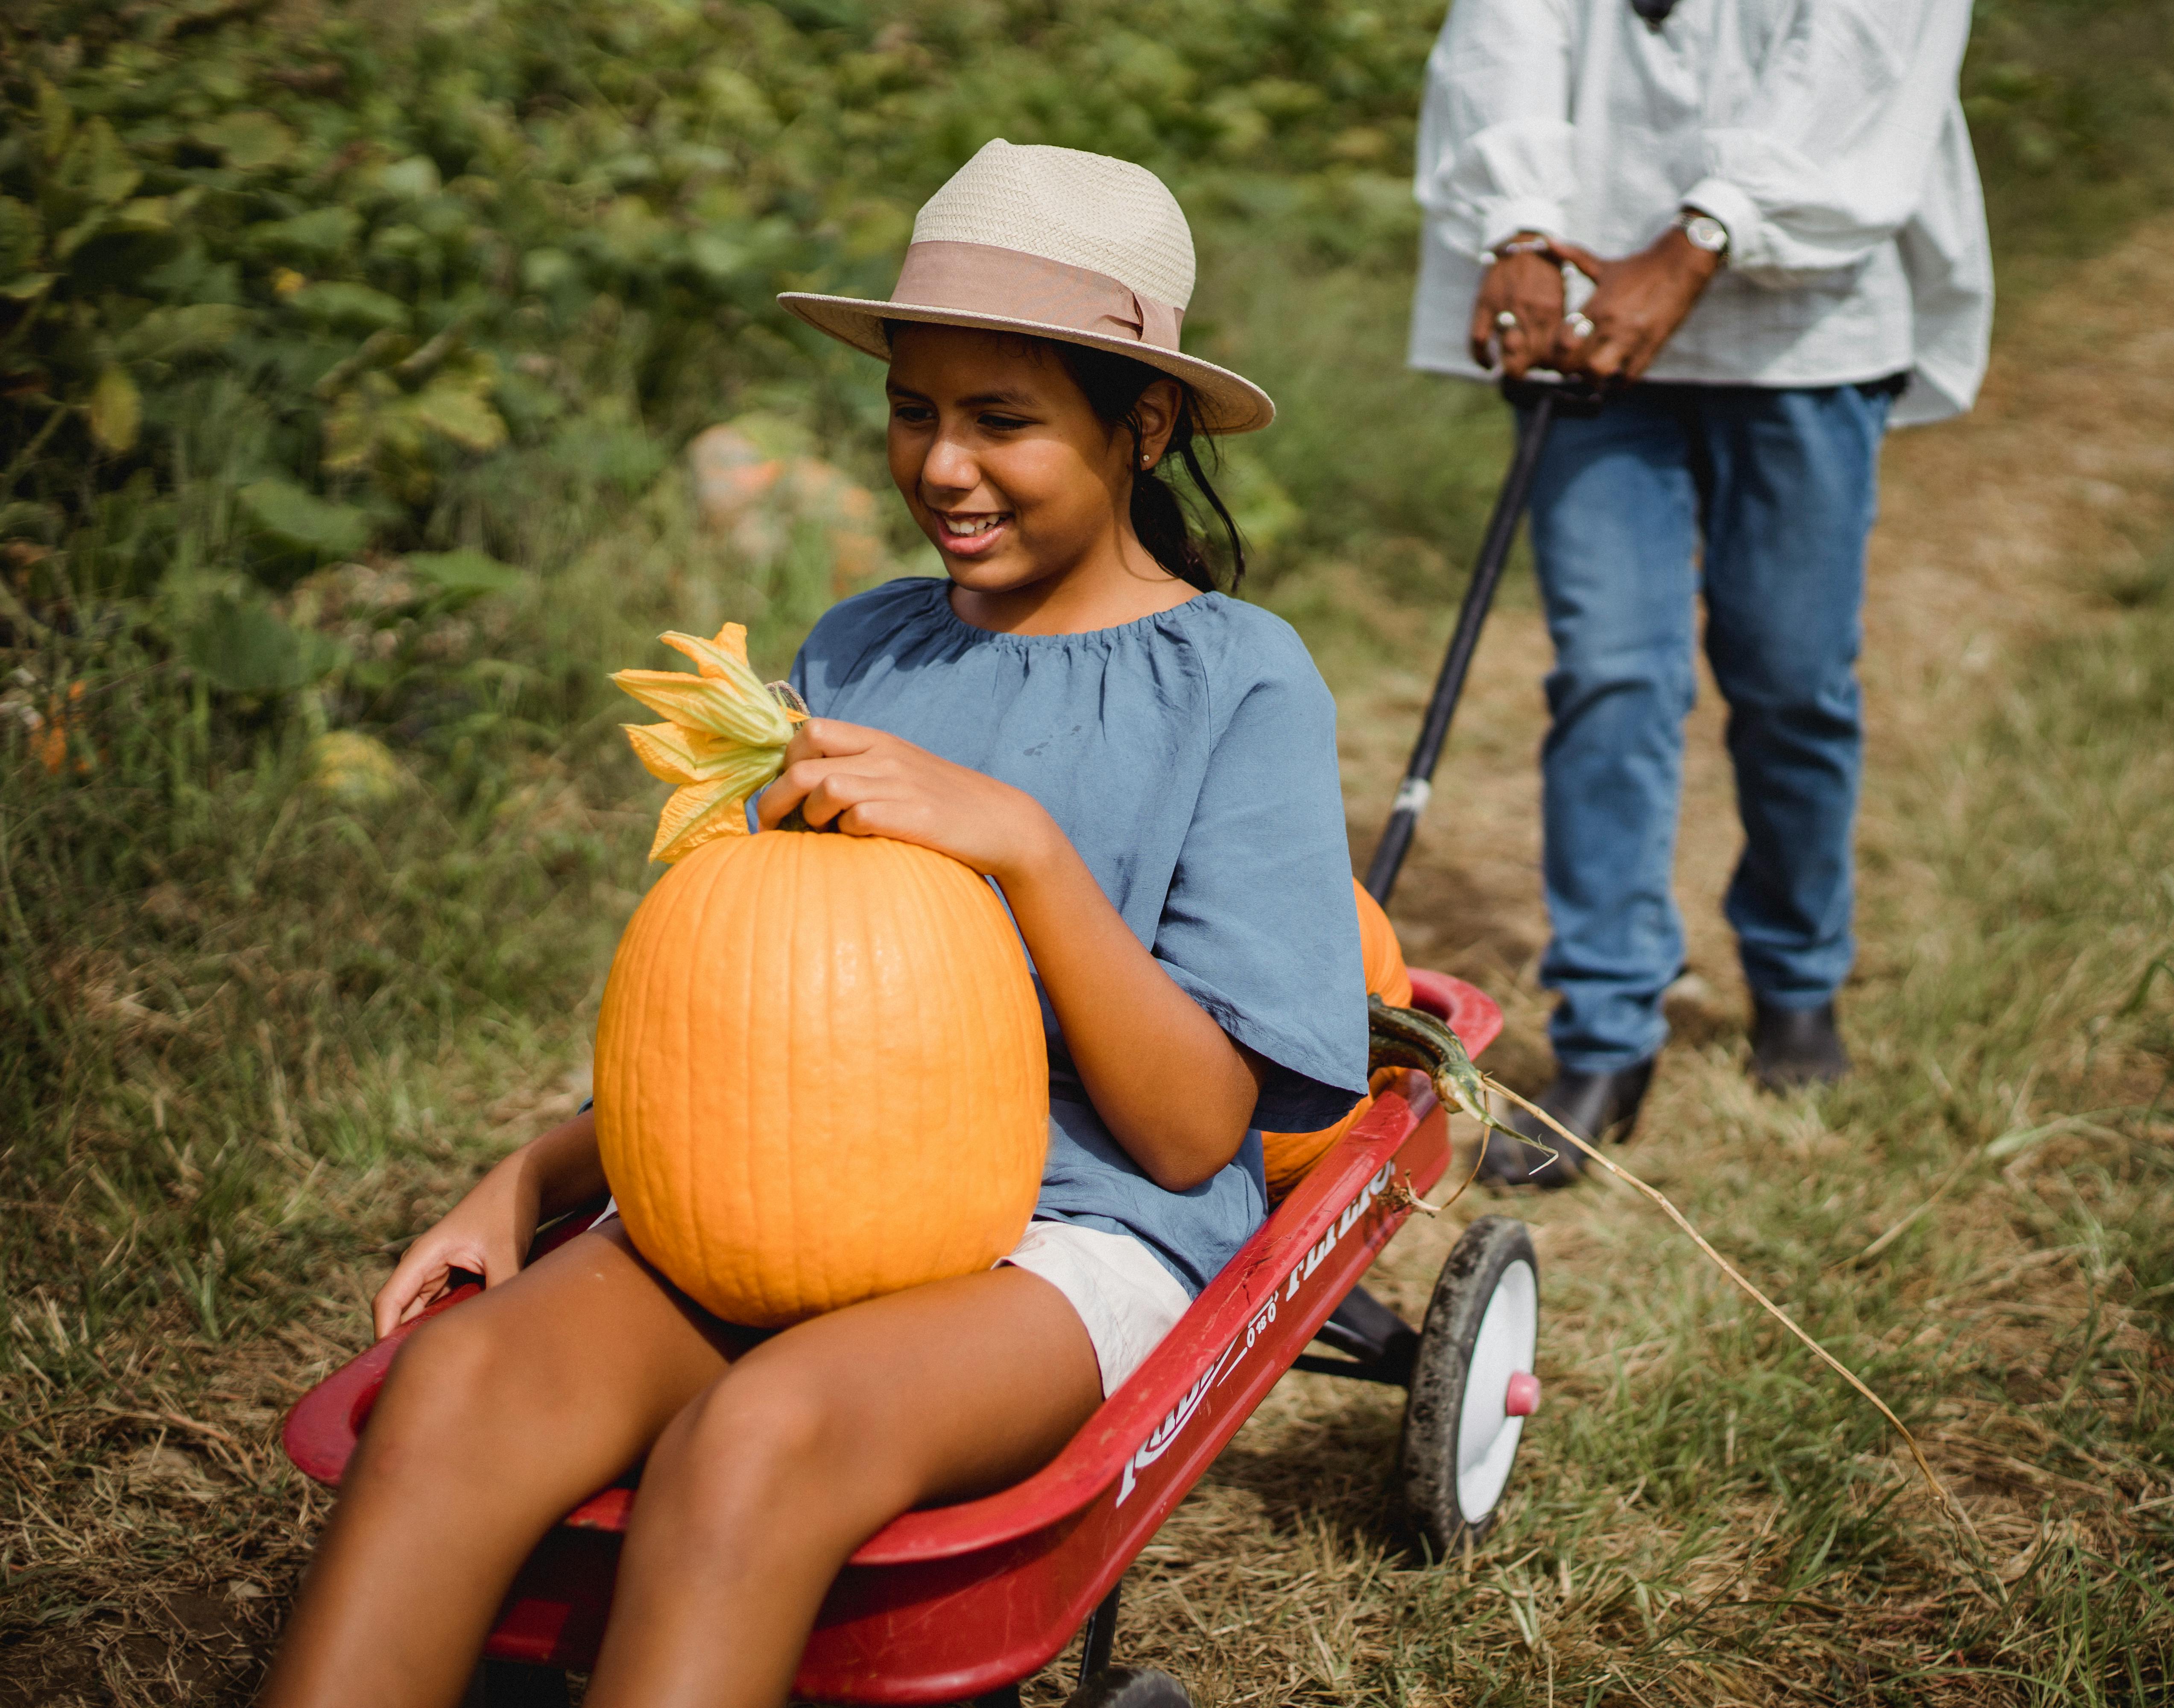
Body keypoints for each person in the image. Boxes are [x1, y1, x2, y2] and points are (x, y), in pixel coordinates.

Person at [256, 141, 1369, 1708]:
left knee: (761, 1432)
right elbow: (756, 1009)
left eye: (1004, 421)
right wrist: (533, 1176)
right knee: (464, 1384)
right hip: (795, 1184)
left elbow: (1196, 1142)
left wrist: (1032, 854)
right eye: (916, 411)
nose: (945, 466)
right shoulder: (862, 648)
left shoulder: (1237, 679)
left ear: (1148, 421)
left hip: (1076, 1229)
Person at [1407, 0, 1991, 1180]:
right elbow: (1507, 36)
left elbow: (1864, 54)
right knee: (1611, 676)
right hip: (1589, 333)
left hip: (1804, 333)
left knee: (1790, 679)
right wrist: (1518, 226)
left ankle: (1795, 979)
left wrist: (1700, 240)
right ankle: (1610, 1031)